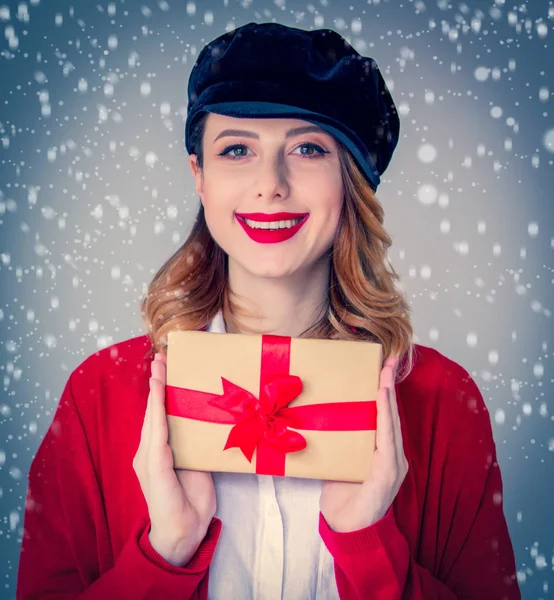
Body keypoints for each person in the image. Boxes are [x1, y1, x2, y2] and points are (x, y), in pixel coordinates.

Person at [16, 21, 521, 600]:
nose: (270, 185)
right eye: (236, 149)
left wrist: (368, 543)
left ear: (351, 179)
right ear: (199, 177)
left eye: (308, 149)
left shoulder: (441, 402)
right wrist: (164, 554)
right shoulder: (98, 395)